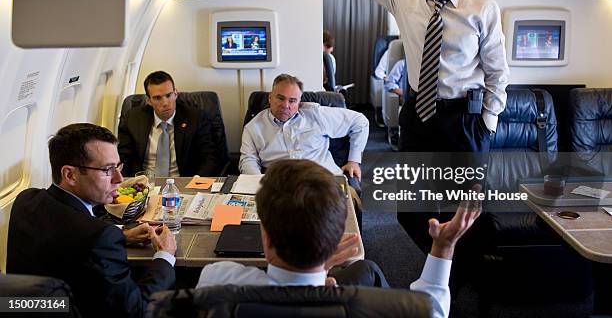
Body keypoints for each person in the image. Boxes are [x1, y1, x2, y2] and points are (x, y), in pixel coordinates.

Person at [315, 0, 509, 154]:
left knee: (463, 191)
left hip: (463, 118)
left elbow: (497, 71)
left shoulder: (483, 7)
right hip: (417, 111)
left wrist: (487, 123)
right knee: (412, 188)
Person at [197, 159, 481, 318]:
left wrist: (316, 272)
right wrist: (443, 247)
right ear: (335, 239)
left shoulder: (215, 279)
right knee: (367, 269)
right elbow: (433, 309)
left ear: (265, 236)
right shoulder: (383, 311)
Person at [6, 123, 176, 318]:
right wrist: (165, 256)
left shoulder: (26, 200)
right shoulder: (101, 237)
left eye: (118, 166)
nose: (119, 178)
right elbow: (136, 310)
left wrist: (123, 236)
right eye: (107, 170)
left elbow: (65, 242)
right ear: (70, 174)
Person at [239, 73, 368, 190]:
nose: (285, 105)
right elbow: (248, 159)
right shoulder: (253, 127)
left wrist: (354, 161)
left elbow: (360, 122)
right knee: (228, 214)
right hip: (283, 188)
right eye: (280, 98)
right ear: (270, 98)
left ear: (299, 102)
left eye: (292, 100)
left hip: (325, 183)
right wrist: (257, 186)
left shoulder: (315, 114)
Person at [118, 71, 222, 177]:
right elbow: (123, 157)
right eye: (158, 98)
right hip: (144, 184)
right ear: (149, 101)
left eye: (168, 95)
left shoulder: (195, 118)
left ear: (176, 94)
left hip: (182, 182)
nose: (165, 103)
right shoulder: (133, 118)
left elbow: (209, 158)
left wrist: (197, 181)